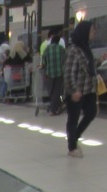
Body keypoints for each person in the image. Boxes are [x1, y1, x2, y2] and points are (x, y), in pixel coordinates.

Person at [64, 20, 98, 158]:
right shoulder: (73, 50)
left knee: (91, 113)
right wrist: (73, 90)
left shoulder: (86, 48)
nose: (94, 34)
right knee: (73, 118)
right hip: (76, 91)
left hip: (88, 89)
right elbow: (68, 72)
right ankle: (72, 147)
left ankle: (75, 136)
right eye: (92, 31)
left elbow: (88, 67)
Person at [42, 29, 66, 115]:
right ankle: (55, 107)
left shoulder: (47, 49)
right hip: (59, 73)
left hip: (49, 73)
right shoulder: (61, 49)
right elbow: (64, 61)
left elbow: (43, 62)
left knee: (51, 91)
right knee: (57, 91)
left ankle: (57, 106)